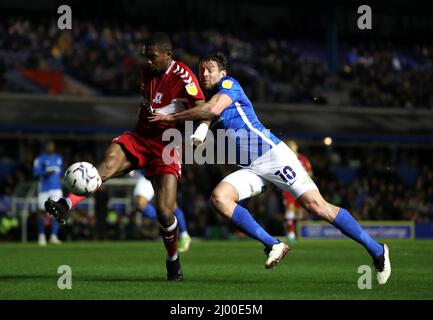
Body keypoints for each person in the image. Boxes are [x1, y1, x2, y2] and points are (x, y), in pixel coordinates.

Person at [149, 52, 391, 284]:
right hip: (251, 168)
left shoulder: (230, 85)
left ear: (223, 72)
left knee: (317, 207)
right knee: (220, 199)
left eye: (209, 69)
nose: (204, 74)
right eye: (201, 70)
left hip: (274, 156)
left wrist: (170, 119)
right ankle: (273, 244)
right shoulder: (205, 100)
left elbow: (212, 109)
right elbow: (204, 113)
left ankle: (377, 250)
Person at [45, 33, 205, 281]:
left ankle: (173, 259)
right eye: (145, 57)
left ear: (168, 55)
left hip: (167, 147)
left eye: (152, 57)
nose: (148, 62)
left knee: (164, 211)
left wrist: (199, 129)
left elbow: (203, 107)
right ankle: (67, 204)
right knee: (106, 166)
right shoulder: (145, 73)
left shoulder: (183, 75)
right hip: (139, 138)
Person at [133, 172, 192, 252]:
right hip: (146, 174)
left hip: (164, 172)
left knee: (172, 207)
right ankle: (168, 225)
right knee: (140, 204)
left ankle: (184, 235)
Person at [281, 140, 313, 243]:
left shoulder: (303, 159)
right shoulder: (284, 159)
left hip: (302, 188)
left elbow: (310, 172)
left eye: (293, 146)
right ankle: (290, 233)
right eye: (290, 146)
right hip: (289, 188)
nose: (292, 148)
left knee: (299, 212)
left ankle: (295, 232)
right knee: (290, 210)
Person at [33, 140, 62, 246]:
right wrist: (46, 172)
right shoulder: (40, 159)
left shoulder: (59, 158)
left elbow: (61, 173)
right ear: (45, 147)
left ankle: (53, 236)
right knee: (41, 212)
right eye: (48, 145)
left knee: (57, 212)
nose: (50, 147)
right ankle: (41, 236)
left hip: (56, 189)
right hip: (44, 189)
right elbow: (35, 173)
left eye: (52, 145)